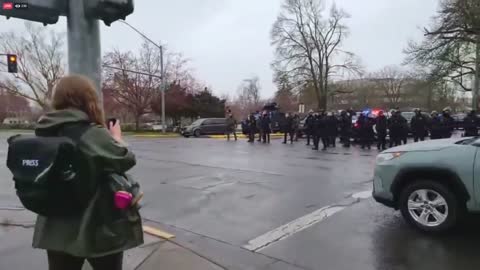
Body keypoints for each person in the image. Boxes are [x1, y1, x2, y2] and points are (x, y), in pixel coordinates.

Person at [32, 75, 142, 270]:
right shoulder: (91, 133)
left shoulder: (44, 129)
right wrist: (116, 138)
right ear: (87, 99)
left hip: (54, 226)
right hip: (95, 226)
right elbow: (126, 159)